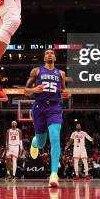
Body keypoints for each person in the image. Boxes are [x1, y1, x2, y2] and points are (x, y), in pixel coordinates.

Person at [25, 49, 71, 188]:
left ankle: (54, 174)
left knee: (55, 137)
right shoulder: (36, 71)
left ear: (55, 58)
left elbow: (64, 92)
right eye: (47, 53)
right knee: (41, 143)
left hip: (54, 108)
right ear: (44, 58)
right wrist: (34, 90)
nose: (49, 54)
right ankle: (34, 143)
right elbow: (25, 91)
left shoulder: (61, 74)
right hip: (39, 108)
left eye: (52, 53)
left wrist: (66, 94)